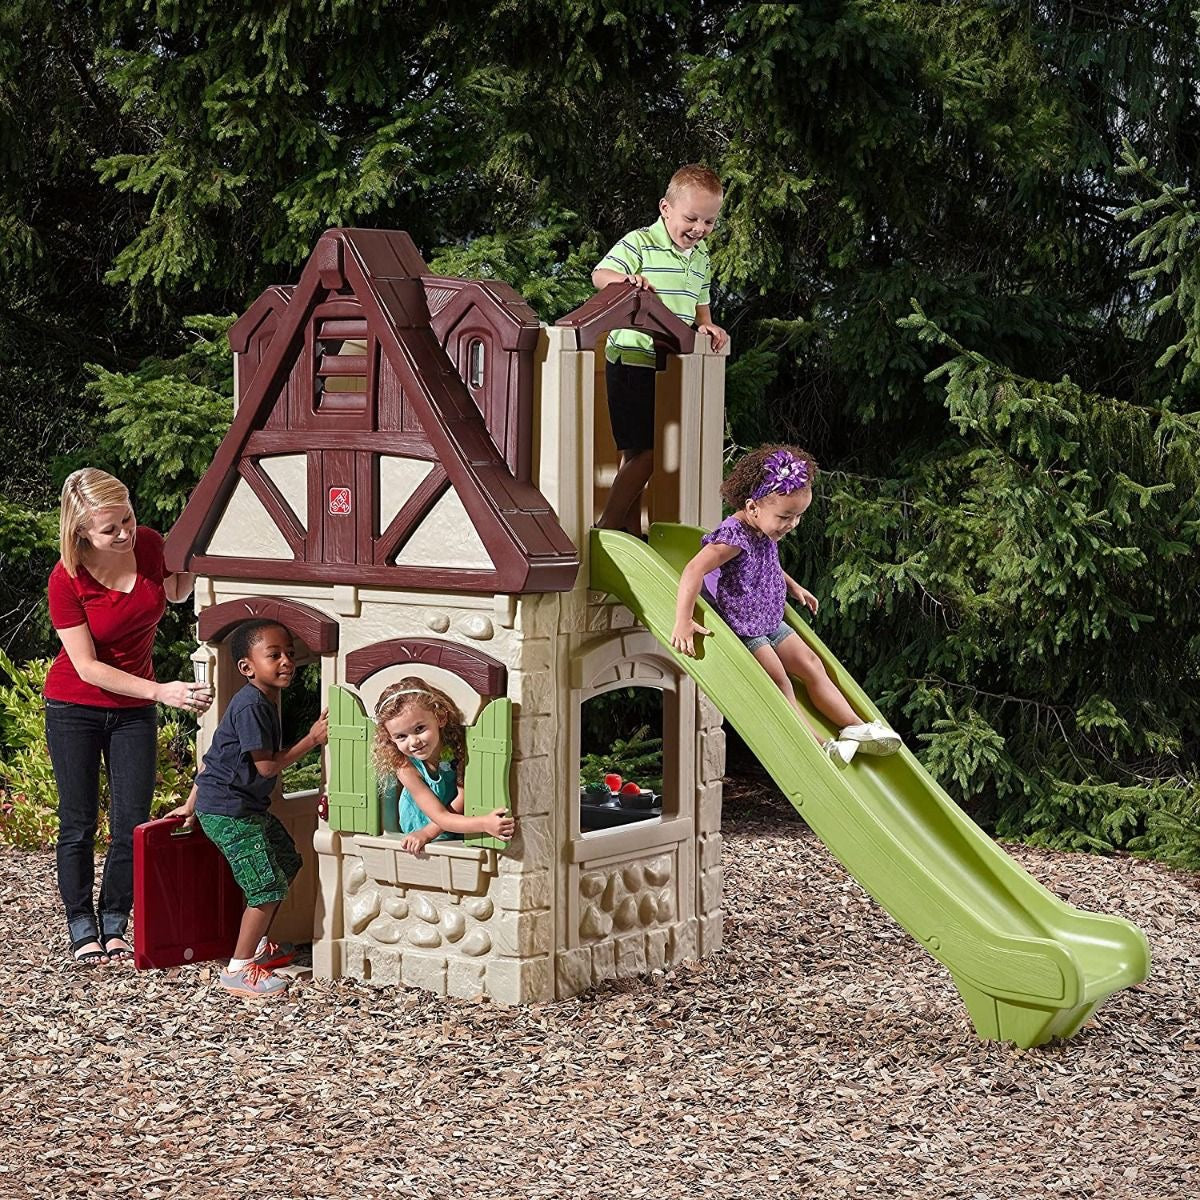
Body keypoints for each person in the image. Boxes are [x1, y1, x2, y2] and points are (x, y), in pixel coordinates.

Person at [45, 467, 214, 968]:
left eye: (127, 519)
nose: (124, 534)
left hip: (133, 710)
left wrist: (194, 543)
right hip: (75, 707)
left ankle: (115, 920)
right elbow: (87, 667)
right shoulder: (66, 579)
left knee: (131, 822)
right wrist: (161, 691)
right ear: (80, 531)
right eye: (109, 529)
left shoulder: (148, 543)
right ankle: (81, 924)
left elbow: (176, 591)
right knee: (78, 822)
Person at [670, 445, 902, 764]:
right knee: (780, 682)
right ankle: (819, 745)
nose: (791, 524)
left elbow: (766, 564)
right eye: (785, 517)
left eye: (797, 516)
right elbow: (693, 569)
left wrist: (793, 586)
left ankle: (854, 727)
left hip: (769, 616)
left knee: (811, 663)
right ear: (752, 507)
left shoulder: (765, 528)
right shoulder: (732, 538)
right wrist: (683, 619)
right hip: (746, 628)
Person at [169, 619, 328, 998]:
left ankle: (257, 947)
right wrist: (312, 739)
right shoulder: (252, 706)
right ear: (247, 667)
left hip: (243, 807)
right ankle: (238, 970)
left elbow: (212, 758)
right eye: (274, 655)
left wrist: (190, 805)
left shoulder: (262, 701)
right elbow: (267, 767)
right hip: (230, 811)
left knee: (286, 861)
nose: (286, 661)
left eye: (290, 654)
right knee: (266, 886)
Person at [592, 163, 729, 534]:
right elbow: (600, 275)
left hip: (668, 364)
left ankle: (630, 530)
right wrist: (626, 280)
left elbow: (700, 300)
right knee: (649, 452)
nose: (699, 229)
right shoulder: (640, 243)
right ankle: (607, 524)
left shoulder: (701, 257)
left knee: (637, 453)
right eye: (691, 218)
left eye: (709, 222)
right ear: (665, 209)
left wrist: (706, 323)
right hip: (632, 357)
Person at [373, 679, 515, 855]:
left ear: (440, 718)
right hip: (419, 828)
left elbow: (462, 797)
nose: (414, 742)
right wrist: (484, 824)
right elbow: (440, 816)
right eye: (401, 736)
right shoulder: (406, 768)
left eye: (419, 728)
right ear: (390, 738)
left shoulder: (456, 749)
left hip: (455, 824)